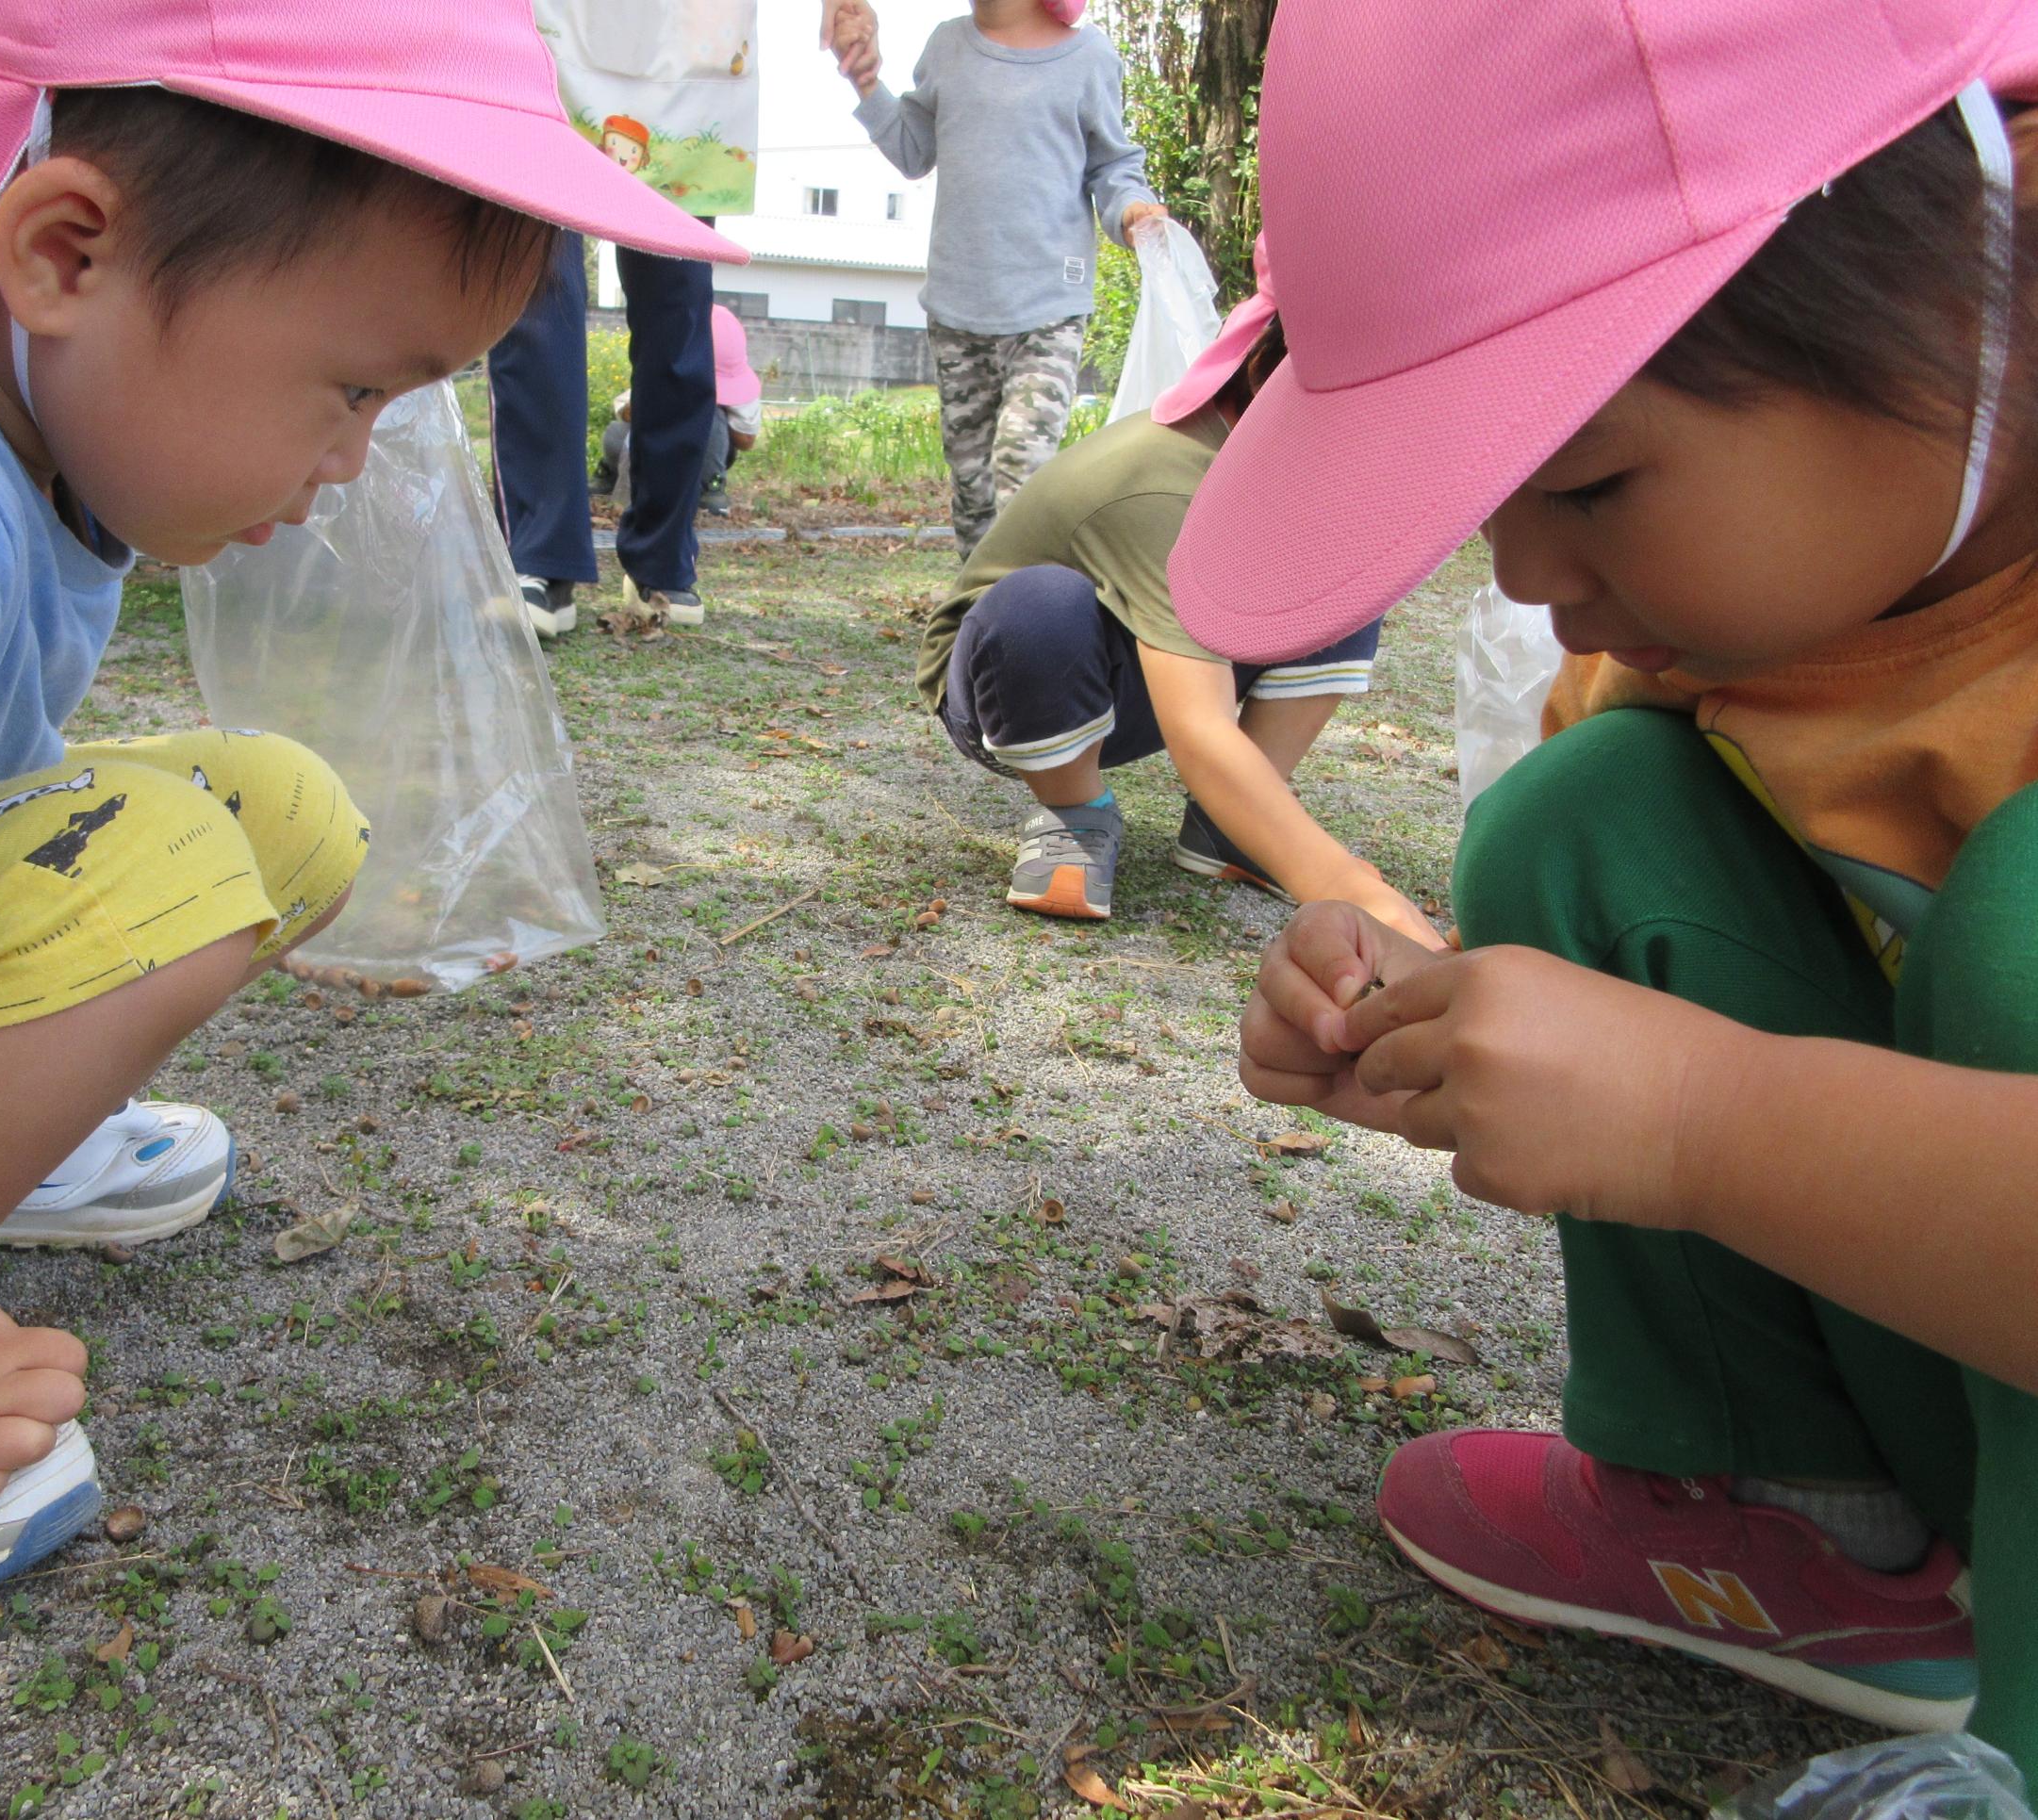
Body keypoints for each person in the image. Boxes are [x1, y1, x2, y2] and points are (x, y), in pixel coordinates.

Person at [0, 0, 741, 1615]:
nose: (356, 458)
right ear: (66, 255)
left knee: (270, 807)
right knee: (172, 863)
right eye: (351, 389)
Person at [1188, 0, 2038, 1768]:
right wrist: (1432, 1022)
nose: (1520, 568)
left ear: (1935, 274)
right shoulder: (1753, 593)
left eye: (1583, 480)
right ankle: (1805, 1523)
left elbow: (1705, 1106)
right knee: (1585, 815)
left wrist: (1695, 1117)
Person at [922, 267, 1438, 943]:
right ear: (1259, 372)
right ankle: (1074, 813)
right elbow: (1198, 731)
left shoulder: (1280, 467)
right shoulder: (1163, 483)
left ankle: (1232, 825)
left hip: (1139, 667)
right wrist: (1351, 890)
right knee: (1038, 609)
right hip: (1015, 685)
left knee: (1338, 569)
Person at [495, 1, 876, 640]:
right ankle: (540, 554)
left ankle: (662, 556)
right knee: (535, 289)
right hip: (552, 24)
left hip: (689, 37)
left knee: (677, 304)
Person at [839, 0, 1166, 556]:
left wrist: (1133, 210)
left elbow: (1113, 166)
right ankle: (980, 614)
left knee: (1020, 468)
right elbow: (915, 150)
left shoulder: (1088, 57)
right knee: (972, 489)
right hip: (958, 309)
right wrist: (868, 85)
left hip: (1049, 308)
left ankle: (1025, 616)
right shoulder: (947, 45)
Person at [594, 304, 764, 519]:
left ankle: (710, 485)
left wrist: (707, 406)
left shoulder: (738, 394)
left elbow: (746, 440)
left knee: (711, 417)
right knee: (617, 433)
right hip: (656, 449)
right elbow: (625, 412)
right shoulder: (662, 374)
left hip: (700, 454)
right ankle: (610, 473)